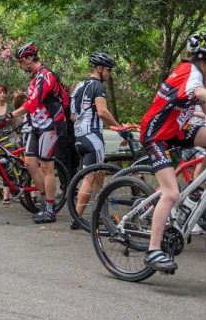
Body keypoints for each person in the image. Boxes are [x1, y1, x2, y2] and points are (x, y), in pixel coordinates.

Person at [138, 31, 206, 273]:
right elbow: (199, 93)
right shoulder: (189, 70)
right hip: (156, 134)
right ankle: (153, 250)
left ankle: (197, 185)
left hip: (175, 129)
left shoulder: (197, 74)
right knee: (171, 193)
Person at [9, 42, 68, 224]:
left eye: (21, 62)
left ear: (29, 58)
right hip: (35, 124)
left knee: (46, 166)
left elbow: (32, 103)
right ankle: (46, 201)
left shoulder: (45, 75)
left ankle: (49, 209)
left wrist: (11, 115)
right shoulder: (35, 77)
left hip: (50, 124)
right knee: (30, 163)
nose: (20, 65)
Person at [70, 52, 123, 228]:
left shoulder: (79, 86)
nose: (109, 74)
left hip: (79, 137)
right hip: (93, 138)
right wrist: (119, 128)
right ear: (99, 68)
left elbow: (72, 116)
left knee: (99, 176)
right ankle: (77, 218)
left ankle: (102, 214)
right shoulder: (98, 86)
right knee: (90, 178)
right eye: (108, 70)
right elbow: (102, 112)